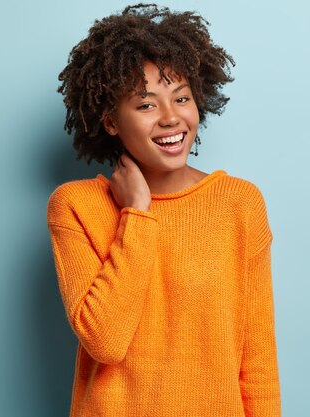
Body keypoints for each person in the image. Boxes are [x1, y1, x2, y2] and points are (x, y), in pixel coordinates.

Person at [47, 4, 281, 416]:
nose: (172, 119)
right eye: (146, 105)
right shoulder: (75, 206)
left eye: (182, 98)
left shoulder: (239, 203)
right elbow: (105, 340)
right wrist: (136, 212)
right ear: (110, 122)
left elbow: (257, 361)